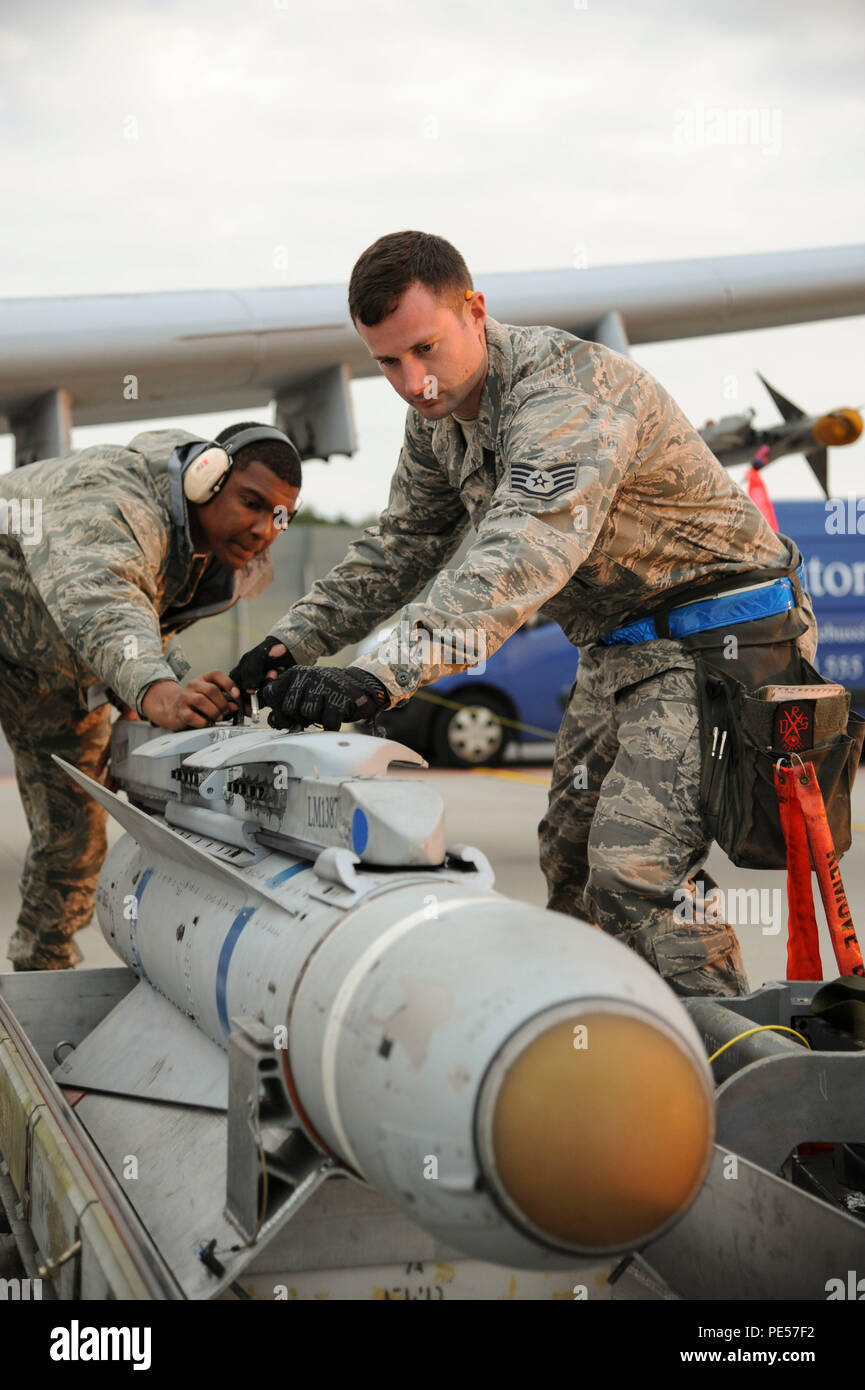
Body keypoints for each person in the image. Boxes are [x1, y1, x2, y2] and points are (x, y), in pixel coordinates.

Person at [231, 231, 817, 999]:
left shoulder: (567, 393)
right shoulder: (438, 419)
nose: (413, 382)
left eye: (425, 349)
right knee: (569, 857)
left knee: (634, 870)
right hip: (618, 650)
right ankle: (598, 1039)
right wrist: (289, 642)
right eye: (387, 363)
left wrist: (378, 675)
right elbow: (403, 546)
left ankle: (719, 1071)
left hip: (717, 639)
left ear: (474, 311)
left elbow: (519, 554)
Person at [0, 421, 301, 970]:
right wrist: (156, 690)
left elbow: (149, 621)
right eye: (251, 502)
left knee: (74, 839)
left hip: (50, 670)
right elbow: (102, 598)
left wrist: (141, 698)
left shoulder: (215, 559)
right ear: (206, 479)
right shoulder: (114, 498)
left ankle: (37, 978)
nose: (263, 529)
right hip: (51, 629)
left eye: (279, 516)